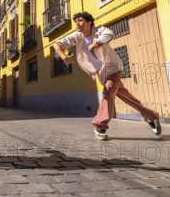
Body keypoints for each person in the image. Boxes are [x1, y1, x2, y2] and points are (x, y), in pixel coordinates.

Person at [53, 11, 161, 141]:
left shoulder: (99, 30)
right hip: (101, 72)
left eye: (80, 20)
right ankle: (151, 115)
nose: (77, 23)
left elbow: (110, 34)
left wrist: (95, 44)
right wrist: (64, 57)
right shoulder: (77, 36)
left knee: (108, 92)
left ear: (89, 23)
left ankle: (100, 124)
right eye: (76, 21)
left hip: (112, 67)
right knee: (126, 96)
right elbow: (57, 44)